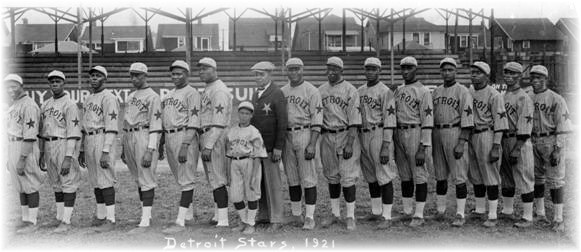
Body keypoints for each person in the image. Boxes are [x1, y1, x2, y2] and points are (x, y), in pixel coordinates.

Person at [318, 57, 362, 231]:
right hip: (327, 135)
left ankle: (350, 216)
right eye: (329, 68)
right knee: (332, 176)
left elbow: (354, 121)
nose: (331, 72)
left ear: (341, 70)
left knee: (348, 177)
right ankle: (335, 213)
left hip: (345, 134)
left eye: (335, 68)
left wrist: (350, 143)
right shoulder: (320, 90)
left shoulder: (351, 90)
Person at [431, 57, 474, 227]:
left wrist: (462, 141)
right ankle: (441, 211)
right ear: (440, 72)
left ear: (455, 71)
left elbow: (468, 119)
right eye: (444, 70)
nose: (447, 73)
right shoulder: (436, 91)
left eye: (450, 70)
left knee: (459, 176)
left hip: (454, 131)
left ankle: (460, 213)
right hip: (437, 133)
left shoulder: (463, 91)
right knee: (440, 176)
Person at [280, 57, 323, 230]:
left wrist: (312, 144)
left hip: (305, 132)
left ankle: (310, 217)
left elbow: (317, 119)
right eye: (290, 69)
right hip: (287, 135)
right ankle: (297, 214)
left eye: (297, 69)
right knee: (292, 177)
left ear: (302, 69)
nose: (294, 72)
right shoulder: (282, 91)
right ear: (286, 71)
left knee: (308, 177)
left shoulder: (311, 91)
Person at [160, 60, 201, 234]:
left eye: (179, 73)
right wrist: (162, 142)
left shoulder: (192, 93)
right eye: (173, 73)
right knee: (180, 177)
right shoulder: (168, 95)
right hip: (169, 136)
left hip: (185, 135)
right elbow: (163, 120)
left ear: (187, 74)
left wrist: (186, 144)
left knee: (186, 177)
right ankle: (188, 216)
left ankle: (180, 220)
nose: (175, 76)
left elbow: (194, 120)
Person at [466, 62, 508, 228]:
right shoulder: (469, 91)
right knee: (475, 175)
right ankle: (479, 209)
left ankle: (492, 214)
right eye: (473, 72)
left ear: (487, 76)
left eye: (479, 72)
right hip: (471, 134)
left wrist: (496, 146)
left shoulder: (494, 95)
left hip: (487, 134)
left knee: (490, 176)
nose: (474, 75)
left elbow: (500, 123)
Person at [529, 65, 571, 232]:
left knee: (556, 180)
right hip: (533, 139)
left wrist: (558, 148)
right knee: (537, 178)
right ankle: (540, 213)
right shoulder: (528, 97)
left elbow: (563, 126)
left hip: (551, 139)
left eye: (539, 77)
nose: (536, 80)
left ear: (546, 79)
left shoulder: (556, 99)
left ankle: (558, 218)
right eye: (533, 77)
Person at [122, 62, 163, 234]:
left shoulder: (153, 97)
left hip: (144, 135)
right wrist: (124, 148)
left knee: (146, 177)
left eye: (138, 75)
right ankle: (145, 215)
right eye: (132, 75)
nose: (134, 78)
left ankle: (145, 222)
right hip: (129, 136)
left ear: (145, 76)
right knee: (138, 177)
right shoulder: (131, 96)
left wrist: (150, 149)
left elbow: (155, 124)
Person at [39, 70, 82, 233]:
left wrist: (68, 157)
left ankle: (67, 220)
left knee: (68, 181)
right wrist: (42, 153)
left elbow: (73, 132)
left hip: (64, 143)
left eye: (58, 81)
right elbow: (42, 131)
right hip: (49, 144)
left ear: (64, 83)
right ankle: (59, 217)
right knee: (56, 182)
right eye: (52, 81)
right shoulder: (46, 104)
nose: (54, 84)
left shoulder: (69, 104)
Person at [357, 57, 397, 229]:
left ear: (380, 71)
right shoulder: (359, 90)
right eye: (367, 69)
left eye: (374, 69)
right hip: (362, 134)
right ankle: (375, 211)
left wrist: (386, 146)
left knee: (384, 175)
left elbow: (390, 120)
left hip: (379, 132)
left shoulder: (385, 91)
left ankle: (387, 216)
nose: (370, 72)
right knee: (371, 175)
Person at [393, 56, 433, 227]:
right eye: (403, 68)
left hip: (416, 131)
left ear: (416, 69)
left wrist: (423, 147)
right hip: (399, 133)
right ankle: (407, 211)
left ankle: (419, 214)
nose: (405, 71)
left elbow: (428, 121)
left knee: (419, 175)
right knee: (405, 175)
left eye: (409, 68)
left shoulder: (423, 91)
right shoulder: (398, 90)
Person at [79, 66, 120, 232]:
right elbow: (83, 125)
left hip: (103, 137)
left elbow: (112, 126)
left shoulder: (109, 98)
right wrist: (82, 149)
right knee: (95, 179)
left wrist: (106, 151)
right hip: (89, 139)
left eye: (98, 76)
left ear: (105, 79)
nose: (94, 78)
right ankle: (101, 215)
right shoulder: (88, 99)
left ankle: (111, 218)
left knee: (105, 178)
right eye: (92, 76)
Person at [249, 61, 288, 231]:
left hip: (271, 147)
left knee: (273, 183)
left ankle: (277, 217)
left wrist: (278, 147)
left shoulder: (276, 93)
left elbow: (282, 122)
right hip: (258, 147)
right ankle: (264, 214)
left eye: (261, 74)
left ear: (269, 75)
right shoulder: (255, 94)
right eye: (256, 74)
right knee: (260, 182)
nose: (258, 77)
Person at [498, 62, 535, 228]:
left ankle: (527, 216)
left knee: (524, 177)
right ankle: (507, 211)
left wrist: (517, 148)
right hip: (504, 139)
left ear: (520, 76)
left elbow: (526, 126)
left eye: (513, 73)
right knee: (506, 177)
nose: (509, 76)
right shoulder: (502, 95)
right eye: (506, 73)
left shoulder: (523, 97)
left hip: (519, 139)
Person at [5, 74, 43, 234]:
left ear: (21, 86)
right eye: (8, 86)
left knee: (30, 184)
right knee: (20, 186)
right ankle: (25, 219)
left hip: (25, 145)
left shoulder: (29, 105)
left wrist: (21, 158)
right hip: (13, 144)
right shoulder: (14, 104)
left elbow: (30, 134)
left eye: (14, 86)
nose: (10, 89)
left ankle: (32, 222)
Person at [197, 57, 233, 228]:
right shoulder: (209, 88)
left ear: (214, 69)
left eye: (205, 68)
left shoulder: (218, 90)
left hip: (215, 135)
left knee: (218, 178)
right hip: (208, 134)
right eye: (200, 69)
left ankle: (224, 219)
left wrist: (209, 145)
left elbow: (219, 122)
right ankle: (218, 215)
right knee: (213, 177)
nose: (201, 71)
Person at [226, 101, 268, 234]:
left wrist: (255, 175)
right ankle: (244, 221)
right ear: (238, 113)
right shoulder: (232, 131)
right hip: (234, 162)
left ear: (251, 116)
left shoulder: (254, 132)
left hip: (249, 161)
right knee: (235, 195)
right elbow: (228, 153)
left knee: (251, 193)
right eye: (242, 113)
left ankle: (250, 223)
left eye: (247, 113)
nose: (244, 116)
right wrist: (228, 173)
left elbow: (258, 155)